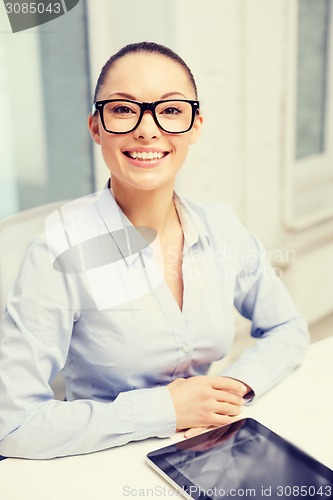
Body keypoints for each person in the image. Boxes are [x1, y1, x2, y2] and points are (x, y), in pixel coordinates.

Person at [0, 41, 309, 459]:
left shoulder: (220, 228)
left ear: (196, 125)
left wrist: (230, 389)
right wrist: (165, 409)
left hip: (209, 446)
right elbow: (12, 425)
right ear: (96, 127)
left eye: (171, 110)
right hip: (97, 462)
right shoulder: (59, 252)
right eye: (124, 109)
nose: (147, 129)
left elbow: (288, 328)